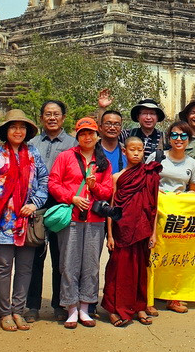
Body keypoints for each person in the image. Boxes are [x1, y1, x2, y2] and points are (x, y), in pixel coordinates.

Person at [0, 110, 48, 332]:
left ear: (27, 131)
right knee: (3, 267)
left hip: (26, 220)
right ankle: (4, 312)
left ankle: (19, 309)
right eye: (13, 127)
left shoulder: (34, 154)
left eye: (22, 127)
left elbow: (44, 180)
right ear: (6, 131)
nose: (18, 131)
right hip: (2, 221)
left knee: (25, 267)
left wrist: (35, 202)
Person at [48, 117, 114, 329]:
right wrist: (72, 197)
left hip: (95, 220)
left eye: (91, 133)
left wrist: (94, 187)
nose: (87, 137)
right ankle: (71, 308)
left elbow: (108, 192)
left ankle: (86, 307)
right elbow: (53, 183)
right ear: (77, 136)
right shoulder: (66, 157)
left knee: (91, 265)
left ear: (97, 136)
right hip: (72, 218)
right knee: (69, 264)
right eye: (83, 133)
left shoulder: (103, 162)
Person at [25, 99, 77, 323]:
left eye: (56, 114)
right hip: (35, 205)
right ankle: (32, 305)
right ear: (41, 118)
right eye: (48, 114)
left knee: (61, 257)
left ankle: (59, 304)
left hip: (62, 206)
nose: (52, 118)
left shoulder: (73, 144)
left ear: (64, 118)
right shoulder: (32, 143)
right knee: (33, 256)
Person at [102, 137, 161, 327]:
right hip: (121, 230)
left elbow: (154, 206)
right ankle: (114, 308)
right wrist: (110, 235)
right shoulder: (117, 177)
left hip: (142, 229)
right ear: (124, 151)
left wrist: (152, 233)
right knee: (117, 269)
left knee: (139, 270)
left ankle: (139, 307)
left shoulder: (149, 174)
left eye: (140, 150)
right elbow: (111, 208)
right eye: (132, 149)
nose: (136, 153)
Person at [149, 120, 195, 314]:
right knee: (152, 254)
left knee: (175, 256)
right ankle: (149, 297)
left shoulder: (192, 163)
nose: (179, 139)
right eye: (175, 135)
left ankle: (173, 296)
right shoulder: (157, 157)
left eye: (183, 136)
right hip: (155, 212)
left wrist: (185, 195)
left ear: (189, 139)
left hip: (178, 216)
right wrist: (157, 191)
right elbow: (144, 180)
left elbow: (194, 191)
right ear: (169, 138)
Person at [96, 91, 166, 158]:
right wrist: (102, 108)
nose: (148, 117)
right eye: (144, 113)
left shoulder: (165, 138)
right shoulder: (127, 134)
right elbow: (104, 132)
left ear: (157, 117)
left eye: (152, 114)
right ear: (138, 117)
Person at [98, 110, 127, 174]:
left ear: (121, 128)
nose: (112, 128)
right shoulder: (91, 150)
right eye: (108, 123)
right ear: (100, 127)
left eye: (117, 124)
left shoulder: (127, 152)